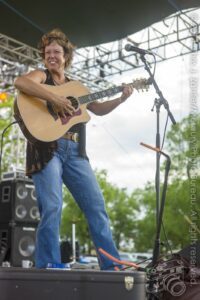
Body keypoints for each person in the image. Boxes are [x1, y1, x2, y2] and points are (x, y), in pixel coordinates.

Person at [14, 28, 133, 270]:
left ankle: (112, 265)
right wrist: (55, 99)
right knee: (52, 206)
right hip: (49, 149)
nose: (52, 56)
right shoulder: (41, 75)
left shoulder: (77, 88)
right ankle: (49, 263)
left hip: (76, 153)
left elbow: (97, 109)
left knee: (97, 207)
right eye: (47, 52)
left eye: (56, 51)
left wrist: (121, 98)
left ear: (66, 56)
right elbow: (20, 82)